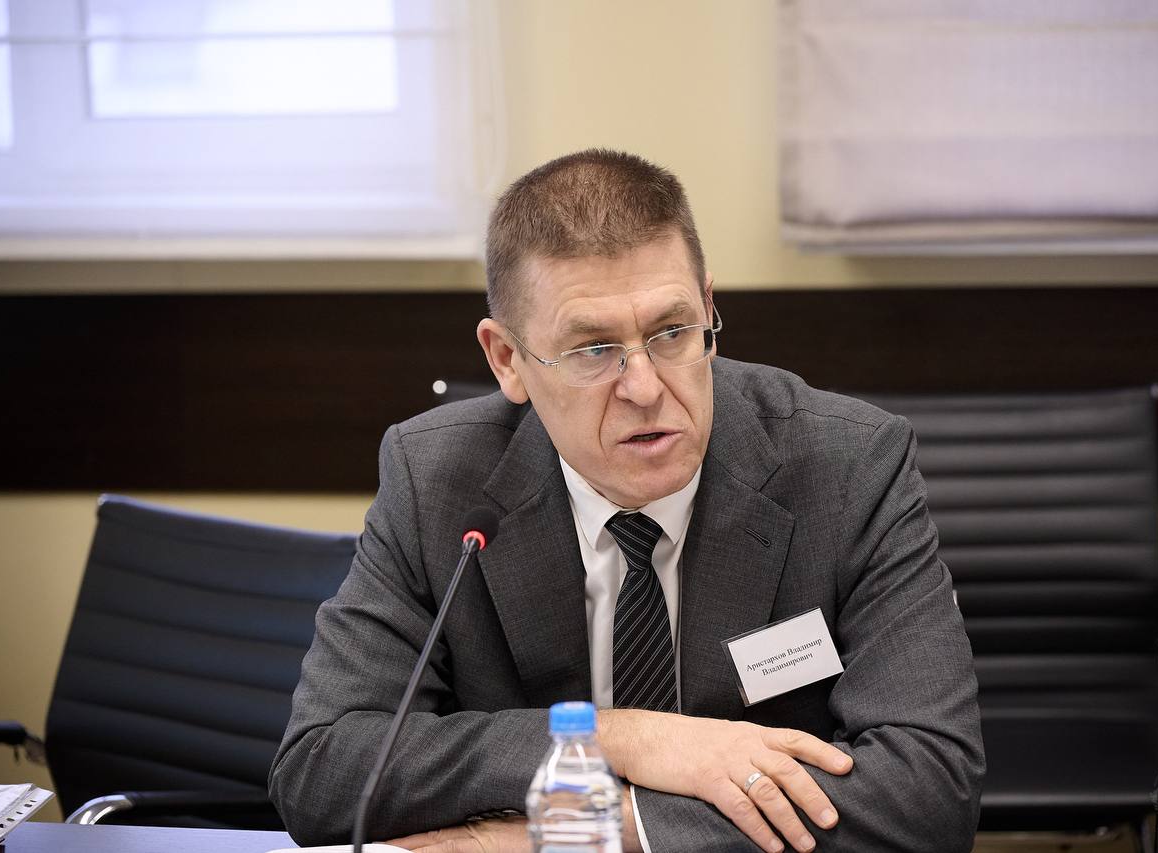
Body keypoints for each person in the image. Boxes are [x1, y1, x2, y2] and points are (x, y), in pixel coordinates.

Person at [270, 150, 984, 852]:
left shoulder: (848, 466)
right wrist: (621, 739)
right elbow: (323, 768)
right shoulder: (437, 480)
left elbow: (929, 791)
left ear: (708, 308)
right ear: (507, 359)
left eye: (672, 332)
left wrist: (597, 831)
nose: (644, 387)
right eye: (592, 350)